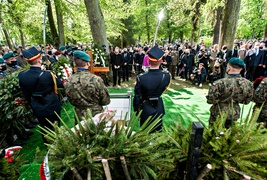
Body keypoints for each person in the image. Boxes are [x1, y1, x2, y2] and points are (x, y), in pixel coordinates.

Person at [19, 47, 63, 143]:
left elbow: (25, 94)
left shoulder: (22, 75)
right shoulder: (48, 74)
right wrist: (49, 70)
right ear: (39, 59)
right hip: (51, 104)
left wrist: (33, 104)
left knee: (44, 126)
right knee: (54, 126)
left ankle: (47, 144)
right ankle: (58, 144)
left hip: (36, 104)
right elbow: (60, 84)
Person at [206, 57, 254, 128]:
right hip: (234, 112)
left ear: (228, 67)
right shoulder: (248, 84)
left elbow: (210, 100)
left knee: (214, 134)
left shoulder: (219, 83)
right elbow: (247, 101)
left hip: (219, 112)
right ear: (241, 69)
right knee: (230, 135)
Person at [64, 50, 110, 121]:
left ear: (75, 64)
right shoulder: (96, 80)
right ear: (88, 63)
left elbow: (70, 99)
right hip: (96, 116)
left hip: (79, 116)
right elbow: (105, 100)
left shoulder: (69, 81)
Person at [133, 46, 171, 132]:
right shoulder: (167, 76)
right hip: (158, 107)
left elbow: (137, 96)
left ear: (148, 61)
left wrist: (136, 109)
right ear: (161, 61)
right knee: (157, 134)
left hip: (145, 107)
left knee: (144, 134)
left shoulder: (141, 77)